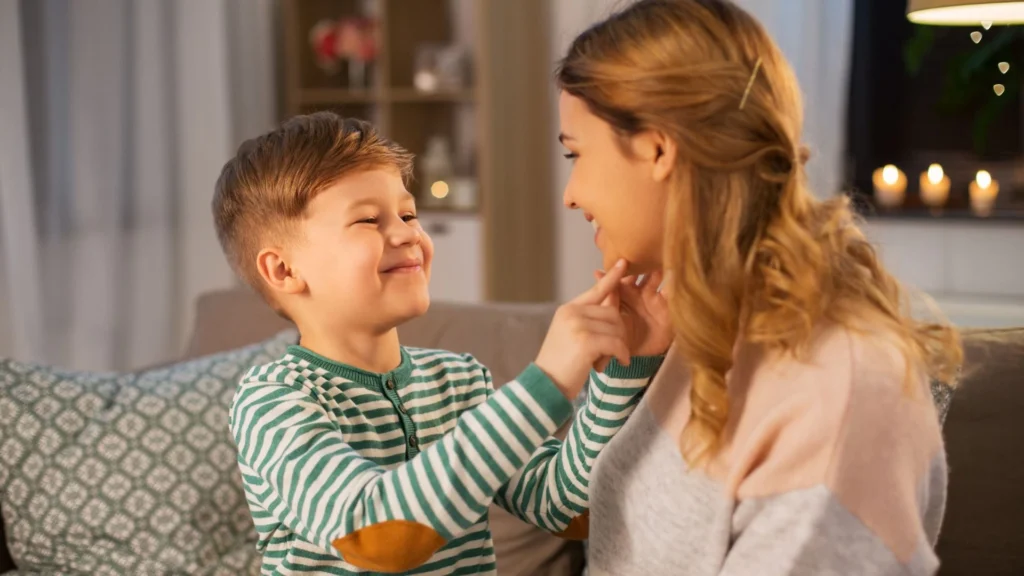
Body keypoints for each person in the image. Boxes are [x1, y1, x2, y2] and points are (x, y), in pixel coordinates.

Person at [555, 1, 963, 574]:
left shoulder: (839, 389)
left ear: (657, 148)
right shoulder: (700, 327)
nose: (570, 194)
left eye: (576, 153)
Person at [211, 112, 671, 575]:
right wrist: (547, 381)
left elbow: (571, 510)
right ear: (284, 271)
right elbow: (377, 537)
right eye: (369, 220)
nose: (409, 232)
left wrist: (622, 370)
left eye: (409, 214)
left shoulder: (459, 381)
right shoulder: (273, 401)